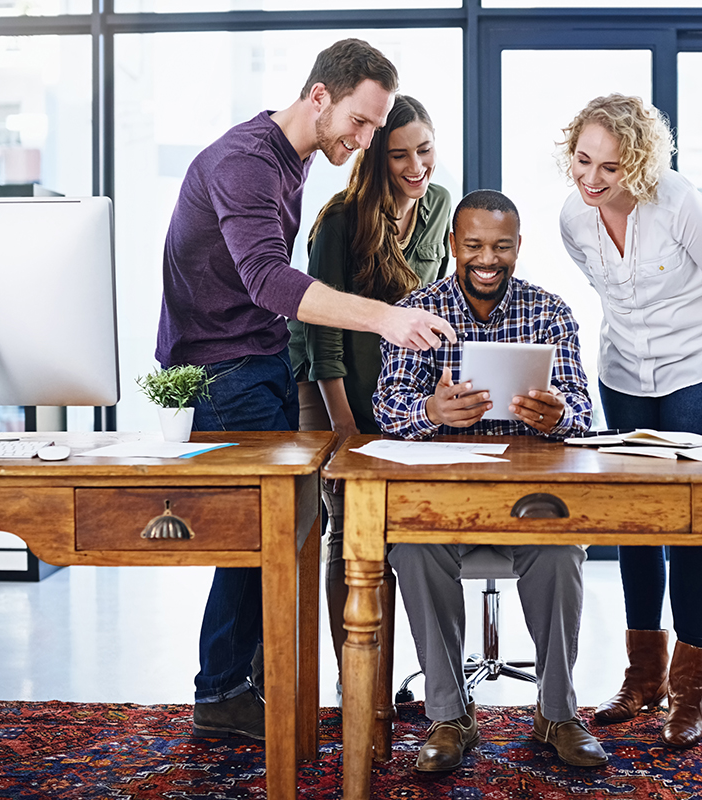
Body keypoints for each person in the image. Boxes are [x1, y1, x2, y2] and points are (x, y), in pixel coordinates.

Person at [155, 38, 456, 742]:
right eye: (360, 123)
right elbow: (268, 280)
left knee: (276, 538)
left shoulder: (287, 159)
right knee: (259, 539)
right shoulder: (244, 163)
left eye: (375, 129)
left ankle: (250, 684)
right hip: (224, 372)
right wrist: (387, 319)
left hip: (256, 361)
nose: (364, 141)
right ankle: (226, 691)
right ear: (319, 96)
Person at [373, 189, 608, 771]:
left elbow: (583, 411)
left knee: (560, 551)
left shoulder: (549, 311)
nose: (487, 258)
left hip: (525, 500)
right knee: (411, 548)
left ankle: (557, 712)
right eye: (474, 245)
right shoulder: (420, 311)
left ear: (518, 248)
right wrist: (431, 412)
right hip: (445, 500)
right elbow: (387, 406)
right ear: (453, 244)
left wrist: (558, 417)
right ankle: (449, 717)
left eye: (501, 247)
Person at [557, 94, 702, 748]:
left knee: (691, 524)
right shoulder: (573, 220)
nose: (591, 178)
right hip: (622, 374)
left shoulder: (679, 204)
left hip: (697, 370)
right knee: (637, 519)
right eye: (583, 160)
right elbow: (605, 293)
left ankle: (690, 692)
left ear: (638, 163)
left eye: (608, 167)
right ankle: (643, 679)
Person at [288, 95, 452, 678]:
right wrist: (346, 430)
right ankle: (355, 676)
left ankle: (401, 670)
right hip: (335, 392)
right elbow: (322, 336)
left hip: (404, 401)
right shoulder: (339, 222)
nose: (416, 167)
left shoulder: (438, 206)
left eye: (425, 151)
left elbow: (439, 304)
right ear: (376, 158)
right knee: (346, 533)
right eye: (400, 156)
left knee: (400, 529)